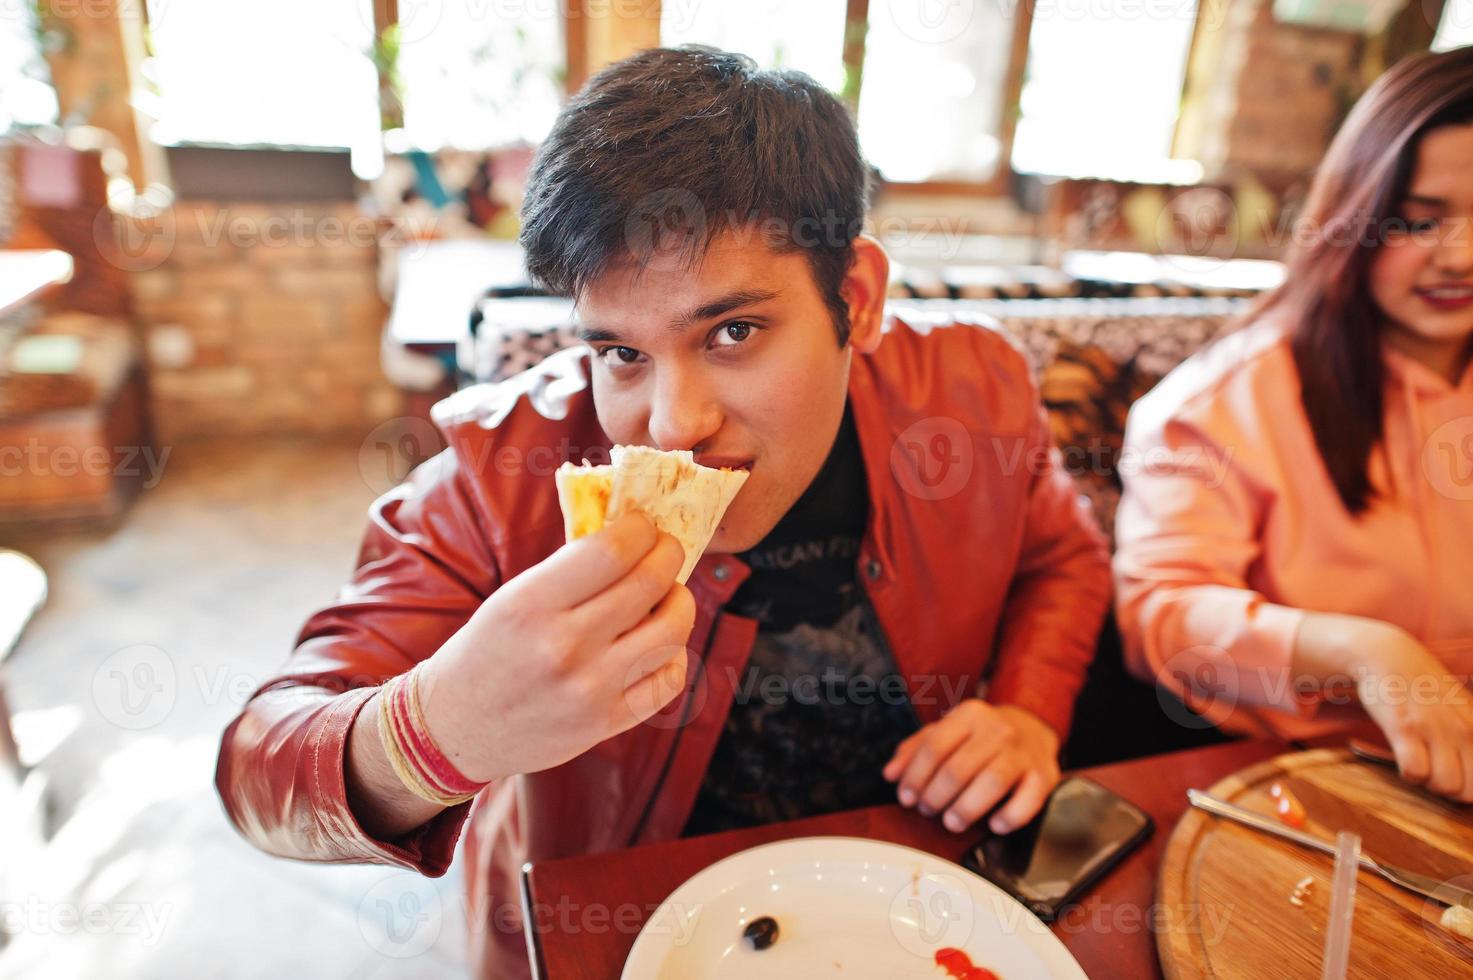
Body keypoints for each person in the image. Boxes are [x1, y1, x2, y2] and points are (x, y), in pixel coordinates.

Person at [216, 46, 1110, 979]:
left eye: (733, 332)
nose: (675, 424)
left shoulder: (970, 393)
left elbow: (1064, 559)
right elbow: (260, 770)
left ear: (855, 298)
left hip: (911, 902)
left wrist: (1026, 713)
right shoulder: (504, 474)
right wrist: (440, 730)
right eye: (620, 353)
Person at [1115, 47, 1473, 800]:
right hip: (1285, 785)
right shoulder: (1221, 400)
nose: (1460, 257)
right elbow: (1160, 617)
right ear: (1355, 216)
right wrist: (1362, 651)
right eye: (1416, 222)